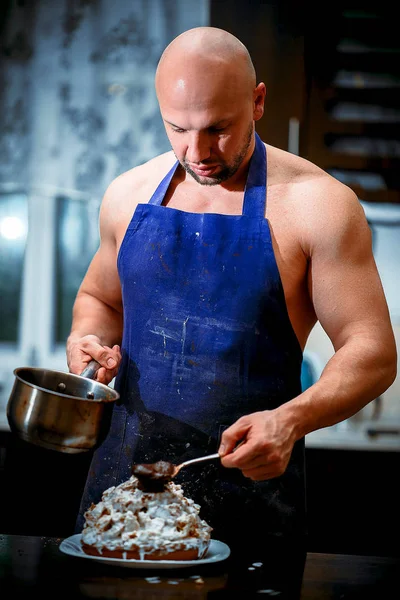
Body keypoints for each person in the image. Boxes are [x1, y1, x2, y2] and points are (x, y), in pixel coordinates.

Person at [67, 26, 397, 561]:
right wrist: (86, 341)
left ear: (258, 101)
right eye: (177, 128)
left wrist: (290, 420)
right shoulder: (126, 195)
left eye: (217, 129)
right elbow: (100, 302)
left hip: (251, 504)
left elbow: (373, 353)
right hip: (118, 498)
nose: (196, 152)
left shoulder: (321, 206)